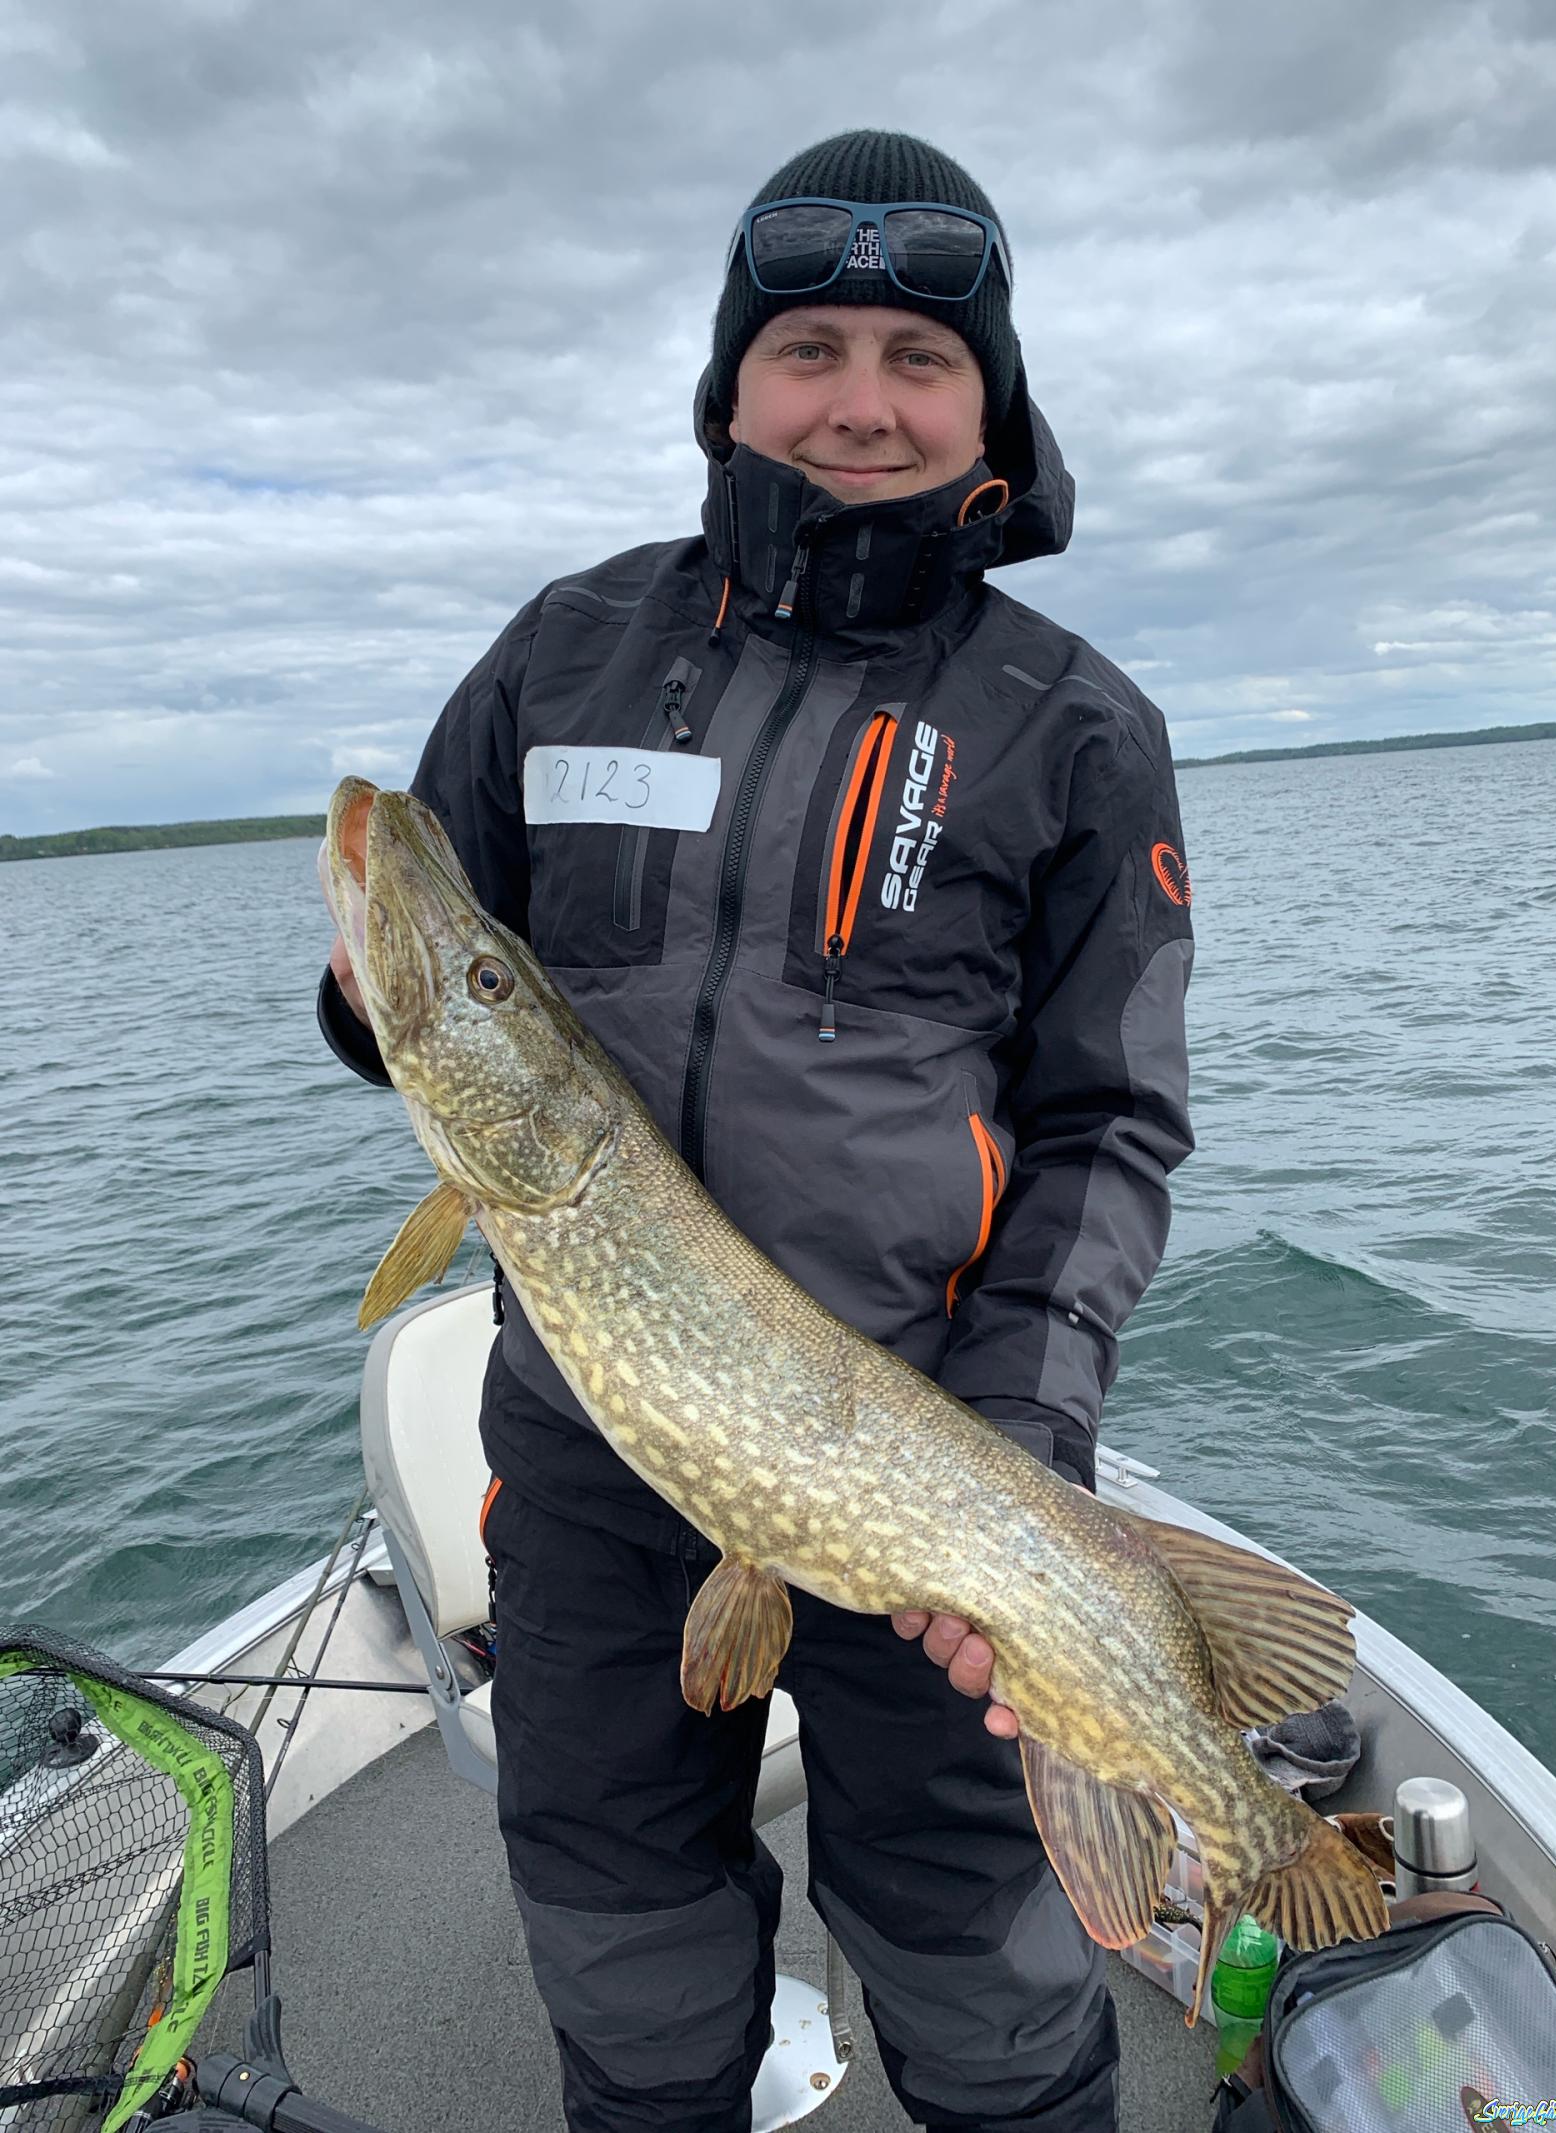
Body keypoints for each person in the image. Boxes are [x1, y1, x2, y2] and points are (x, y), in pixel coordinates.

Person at [320, 129, 1194, 2133]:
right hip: (591, 1457)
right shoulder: (564, 648)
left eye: (918, 357)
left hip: (932, 1452)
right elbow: (454, 984)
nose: (860, 402)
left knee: (986, 1982)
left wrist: (1016, 1447)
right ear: (730, 386)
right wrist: (383, 989)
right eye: (807, 347)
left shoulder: (1072, 722)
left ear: (988, 404)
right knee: (622, 1952)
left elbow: (1105, 1125)